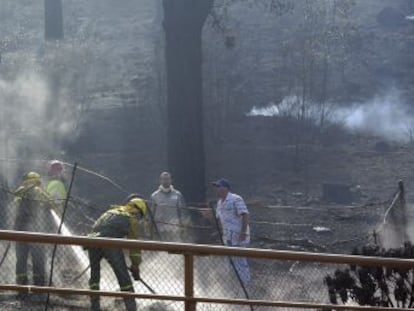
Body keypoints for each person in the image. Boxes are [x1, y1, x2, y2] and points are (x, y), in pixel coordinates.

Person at [87, 195, 148, 311]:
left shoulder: (110, 212)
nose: (139, 219)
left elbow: (96, 226)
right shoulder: (131, 217)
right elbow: (134, 245)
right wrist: (135, 265)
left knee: (94, 276)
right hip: (110, 243)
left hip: (92, 241)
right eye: (141, 216)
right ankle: (131, 308)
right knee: (123, 277)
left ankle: (95, 307)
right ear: (138, 211)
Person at [13, 172, 59, 289]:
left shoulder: (20, 190)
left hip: (19, 229)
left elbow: (16, 206)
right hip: (36, 229)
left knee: (21, 257)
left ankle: (21, 284)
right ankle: (39, 284)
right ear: (37, 181)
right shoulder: (39, 191)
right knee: (38, 257)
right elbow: (52, 204)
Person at [212, 178, 251, 285]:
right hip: (227, 237)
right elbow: (218, 219)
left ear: (225, 188)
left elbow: (245, 215)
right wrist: (207, 215)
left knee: (240, 261)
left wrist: (243, 233)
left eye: (218, 187)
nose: (216, 189)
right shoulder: (219, 203)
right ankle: (233, 283)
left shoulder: (236, 199)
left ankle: (245, 284)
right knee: (229, 261)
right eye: (216, 187)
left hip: (238, 236)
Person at [150, 172, 187, 241]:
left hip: (175, 229)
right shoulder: (154, 196)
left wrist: (183, 226)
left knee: (175, 249)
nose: (166, 181)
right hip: (160, 229)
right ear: (160, 180)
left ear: (171, 180)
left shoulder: (178, 195)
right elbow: (151, 213)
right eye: (164, 179)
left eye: (167, 179)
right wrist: (152, 227)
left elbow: (182, 212)